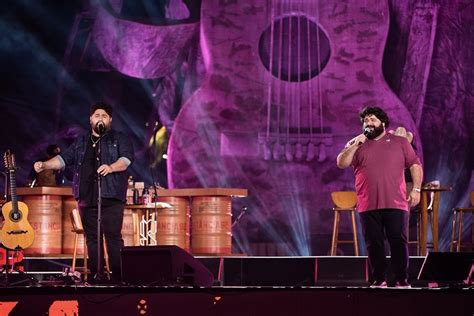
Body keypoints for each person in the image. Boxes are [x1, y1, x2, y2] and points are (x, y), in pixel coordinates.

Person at [34, 102, 134, 283]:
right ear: (90, 119)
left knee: (112, 238)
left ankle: (119, 278)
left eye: (104, 116)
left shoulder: (119, 138)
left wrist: (111, 167)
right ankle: (97, 275)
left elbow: (126, 160)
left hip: (111, 197)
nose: (100, 119)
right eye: (97, 115)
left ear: (110, 120)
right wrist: (45, 165)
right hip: (87, 198)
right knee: (92, 240)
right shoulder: (81, 142)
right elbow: (64, 159)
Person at [336, 107, 423, 288]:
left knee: (398, 242)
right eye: (366, 121)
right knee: (374, 244)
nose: (368, 123)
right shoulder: (357, 143)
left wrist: (415, 189)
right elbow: (341, 163)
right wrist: (355, 144)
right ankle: (379, 279)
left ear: (382, 123)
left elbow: (415, 165)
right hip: (368, 203)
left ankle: (401, 279)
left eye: (372, 120)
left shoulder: (399, 142)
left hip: (396, 202)